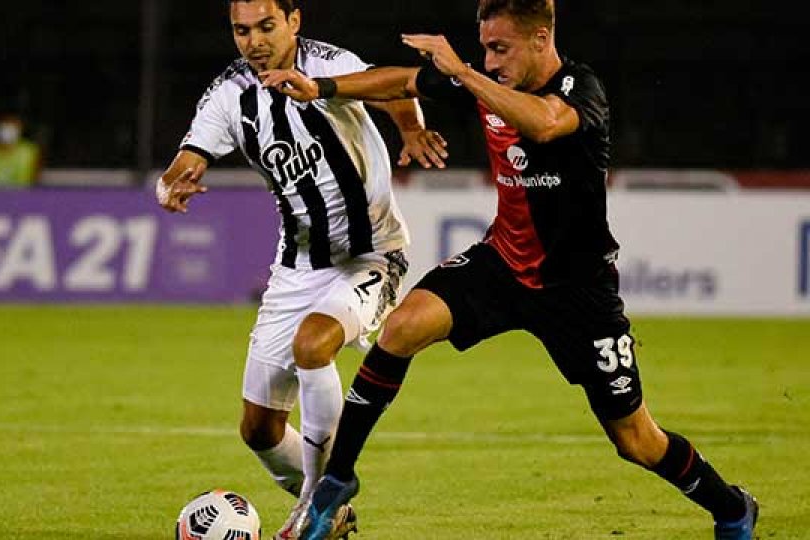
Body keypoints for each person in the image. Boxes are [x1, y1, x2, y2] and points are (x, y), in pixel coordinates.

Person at [260, 1, 759, 538]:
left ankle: (731, 507)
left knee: (636, 440)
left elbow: (544, 124)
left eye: (500, 48)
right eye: (485, 50)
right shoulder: (488, 80)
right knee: (401, 328)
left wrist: (465, 72)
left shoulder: (580, 89)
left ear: (541, 39)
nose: (491, 61)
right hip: (501, 264)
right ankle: (336, 481)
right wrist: (322, 88)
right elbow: (402, 81)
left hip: (577, 291)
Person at [156, 0, 448, 538]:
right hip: (296, 267)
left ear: (294, 21)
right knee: (259, 429)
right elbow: (187, 158)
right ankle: (329, 508)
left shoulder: (329, 65)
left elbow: (395, 87)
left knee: (314, 345)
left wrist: (411, 129)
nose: (254, 41)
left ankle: (320, 502)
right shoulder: (229, 95)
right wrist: (170, 185)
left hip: (373, 255)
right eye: (242, 30)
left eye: (266, 26)